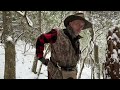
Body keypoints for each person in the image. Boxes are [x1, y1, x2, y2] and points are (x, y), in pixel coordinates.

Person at [36, 12, 92, 79]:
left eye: (82, 26)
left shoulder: (76, 40)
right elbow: (41, 39)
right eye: (77, 23)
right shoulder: (57, 34)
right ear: (70, 23)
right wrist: (41, 58)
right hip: (55, 74)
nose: (80, 27)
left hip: (71, 75)